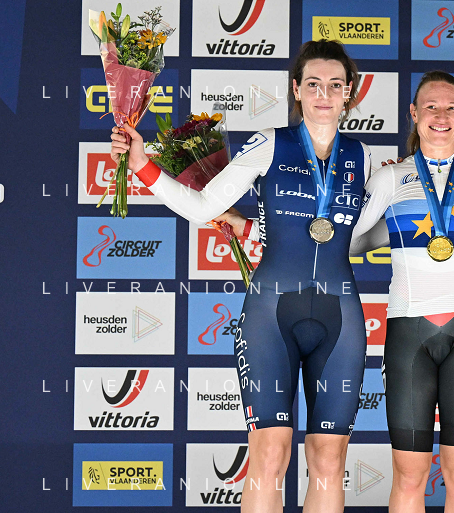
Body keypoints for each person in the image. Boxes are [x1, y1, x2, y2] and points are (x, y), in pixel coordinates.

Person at [110, 39, 371, 513]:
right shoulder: (270, 143)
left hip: (341, 317)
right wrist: (143, 165)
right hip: (271, 314)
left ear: (349, 91)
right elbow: (203, 206)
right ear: (296, 89)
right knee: (269, 454)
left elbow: (348, 238)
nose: (324, 94)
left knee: (330, 460)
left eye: (335, 85)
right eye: (313, 84)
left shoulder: (362, 156)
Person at [348, 71, 454, 513]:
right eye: (431, 106)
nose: (441, 116)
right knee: (410, 477)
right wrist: (391, 232)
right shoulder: (390, 178)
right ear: (414, 113)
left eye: (451, 108)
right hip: (408, 331)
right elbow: (345, 242)